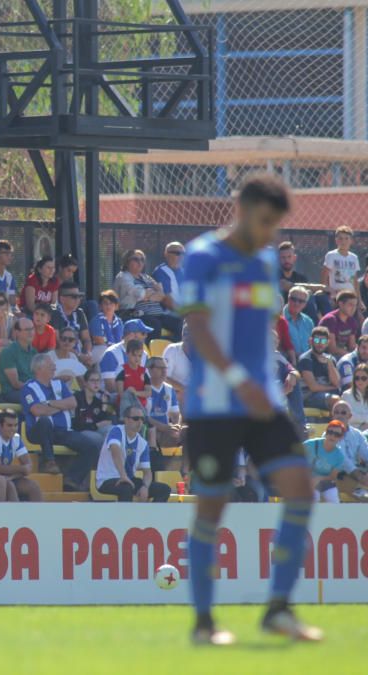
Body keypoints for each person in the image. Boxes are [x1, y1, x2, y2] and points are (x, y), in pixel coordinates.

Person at [180, 173, 321, 643]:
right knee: (211, 510)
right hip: (214, 405)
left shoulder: (264, 263)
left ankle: (278, 608)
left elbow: (257, 334)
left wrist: (268, 385)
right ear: (241, 206)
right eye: (264, 221)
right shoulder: (202, 257)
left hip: (261, 402)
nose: (268, 234)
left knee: (301, 490)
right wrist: (241, 382)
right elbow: (198, 330)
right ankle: (204, 624)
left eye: (275, 226)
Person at [22, 353, 100, 490]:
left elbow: (73, 403)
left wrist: (49, 404)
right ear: (39, 369)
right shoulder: (28, 388)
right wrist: (60, 407)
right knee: (45, 421)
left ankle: (71, 480)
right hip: (39, 431)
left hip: (62, 431)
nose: (54, 367)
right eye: (51, 365)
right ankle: (49, 461)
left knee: (92, 447)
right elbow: (37, 411)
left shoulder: (59, 384)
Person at [94, 405, 171, 503]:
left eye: (142, 419)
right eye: (136, 418)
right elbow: (115, 451)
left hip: (129, 480)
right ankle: (125, 518)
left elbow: (147, 472)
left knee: (163, 489)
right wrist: (123, 475)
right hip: (107, 479)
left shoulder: (142, 443)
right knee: (126, 488)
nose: (140, 422)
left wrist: (145, 487)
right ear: (126, 420)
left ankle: (152, 517)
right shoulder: (116, 431)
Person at [114, 249, 181, 340]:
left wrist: (148, 295)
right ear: (127, 261)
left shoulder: (146, 277)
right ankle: (151, 352)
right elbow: (139, 294)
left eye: (142, 260)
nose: (140, 262)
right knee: (155, 325)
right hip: (135, 314)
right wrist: (149, 294)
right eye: (136, 259)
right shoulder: (123, 276)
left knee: (179, 323)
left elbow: (161, 294)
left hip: (158, 314)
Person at [0, 409, 42, 501]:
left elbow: (29, 467)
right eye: (9, 425)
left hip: (9, 477)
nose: (13, 429)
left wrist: (13, 476)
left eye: (16, 425)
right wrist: (21, 469)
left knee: (33, 486)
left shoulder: (16, 438)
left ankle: (38, 515)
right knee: (9, 486)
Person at [99, 320, 152, 396]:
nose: (146, 336)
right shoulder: (111, 353)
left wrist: (138, 394)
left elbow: (148, 382)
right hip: (114, 396)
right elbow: (110, 386)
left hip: (137, 395)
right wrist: (131, 394)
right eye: (143, 333)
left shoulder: (144, 355)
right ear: (131, 335)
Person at [298, 326, 340, 413]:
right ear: (311, 341)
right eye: (317, 340)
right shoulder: (305, 359)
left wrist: (329, 363)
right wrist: (332, 387)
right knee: (335, 400)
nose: (320, 344)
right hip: (309, 396)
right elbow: (313, 387)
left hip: (325, 394)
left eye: (323, 341)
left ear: (328, 342)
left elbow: (336, 382)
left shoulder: (331, 359)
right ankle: (335, 426)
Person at [304, 421, 348, 504]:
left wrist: (318, 478)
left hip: (326, 481)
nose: (332, 436)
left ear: (341, 437)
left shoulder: (339, 456)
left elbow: (332, 476)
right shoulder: (311, 444)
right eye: (330, 432)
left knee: (333, 499)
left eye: (337, 434)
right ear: (326, 432)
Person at [0, 317, 38, 404]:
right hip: (13, 393)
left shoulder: (34, 352)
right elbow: (16, 384)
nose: (31, 332)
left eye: (32, 329)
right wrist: (37, 390)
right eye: (27, 330)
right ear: (17, 332)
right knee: (36, 399)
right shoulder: (8, 352)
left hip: (31, 390)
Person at [145, 356, 183, 449]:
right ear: (150, 370)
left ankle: (186, 463)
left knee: (187, 432)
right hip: (148, 432)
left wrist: (176, 426)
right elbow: (144, 417)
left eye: (165, 368)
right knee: (152, 432)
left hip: (166, 432)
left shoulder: (169, 389)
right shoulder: (142, 389)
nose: (164, 371)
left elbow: (176, 414)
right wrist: (165, 428)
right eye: (160, 368)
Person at [51, 282, 93, 365]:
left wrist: (88, 353)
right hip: (61, 354)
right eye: (74, 297)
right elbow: (58, 342)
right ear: (62, 299)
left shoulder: (79, 313)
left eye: (79, 297)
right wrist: (78, 355)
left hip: (79, 352)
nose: (78, 300)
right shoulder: (54, 314)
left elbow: (86, 339)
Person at [322, 225, 360, 307]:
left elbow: (355, 281)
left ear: (351, 241)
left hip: (351, 296)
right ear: (336, 240)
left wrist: (359, 300)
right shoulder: (331, 255)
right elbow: (324, 278)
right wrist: (328, 294)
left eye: (346, 238)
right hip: (336, 296)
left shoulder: (354, 258)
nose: (343, 241)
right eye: (340, 238)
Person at [72, 368, 112, 440]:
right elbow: (76, 425)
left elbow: (105, 421)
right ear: (85, 383)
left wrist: (104, 404)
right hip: (80, 432)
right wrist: (96, 425)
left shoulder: (98, 401)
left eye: (98, 380)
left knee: (112, 431)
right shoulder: (77, 397)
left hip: (94, 429)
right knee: (98, 438)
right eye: (92, 380)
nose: (96, 383)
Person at [318, 290, 359, 359]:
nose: (353, 308)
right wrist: (351, 355)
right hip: (326, 356)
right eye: (350, 305)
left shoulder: (352, 321)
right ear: (340, 304)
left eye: (355, 305)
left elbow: (352, 346)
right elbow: (332, 349)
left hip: (343, 354)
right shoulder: (330, 320)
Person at [115, 339, 149, 413]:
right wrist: (130, 393)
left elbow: (148, 392)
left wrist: (135, 393)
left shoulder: (144, 371)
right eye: (134, 355)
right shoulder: (121, 370)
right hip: (125, 409)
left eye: (139, 356)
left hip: (141, 408)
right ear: (127, 354)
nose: (137, 358)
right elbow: (120, 393)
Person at [89, 289, 123, 362]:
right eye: (105, 303)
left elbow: (121, 340)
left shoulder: (119, 321)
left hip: (115, 350)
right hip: (99, 349)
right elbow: (98, 340)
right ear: (100, 306)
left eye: (111, 303)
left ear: (116, 306)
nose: (108, 306)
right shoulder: (96, 320)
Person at [283, 285, 315, 359]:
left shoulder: (308, 321)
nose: (297, 303)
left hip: (307, 362)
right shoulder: (278, 319)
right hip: (287, 361)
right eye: (294, 299)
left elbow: (312, 345)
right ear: (288, 299)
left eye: (301, 301)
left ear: (305, 304)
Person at [152, 241, 186, 309]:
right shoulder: (160, 272)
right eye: (177, 253)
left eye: (183, 253)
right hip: (170, 313)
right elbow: (166, 299)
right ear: (166, 254)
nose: (181, 256)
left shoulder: (185, 271)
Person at [0, 239, 19, 305]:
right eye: (6, 253)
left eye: (10, 253)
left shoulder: (9, 276)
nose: (9, 256)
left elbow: (12, 302)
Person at [341, 363, 368, 430]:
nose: (360, 381)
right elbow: (346, 416)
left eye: (363, 378)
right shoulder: (346, 395)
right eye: (357, 378)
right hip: (351, 431)